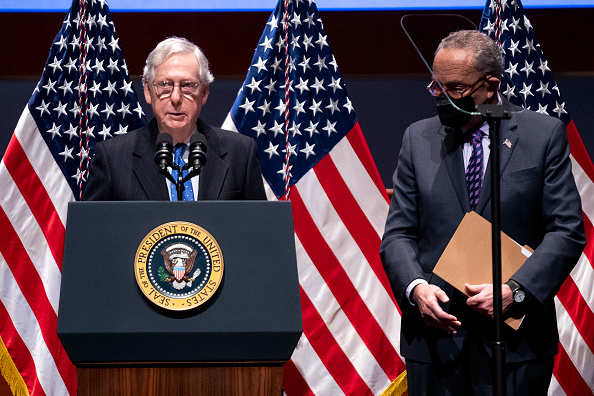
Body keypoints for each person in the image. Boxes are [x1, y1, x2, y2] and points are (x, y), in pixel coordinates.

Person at [380, 30, 585, 395]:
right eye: (436, 87)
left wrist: (515, 291)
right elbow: (398, 234)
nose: (442, 98)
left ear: (490, 86)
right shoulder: (417, 139)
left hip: (516, 345)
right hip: (435, 340)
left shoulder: (543, 135)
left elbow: (566, 231)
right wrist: (416, 289)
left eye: (454, 88)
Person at [83, 36, 266, 201]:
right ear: (147, 91)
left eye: (187, 86)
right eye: (164, 85)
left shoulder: (240, 154)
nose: (176, 98)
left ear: (204, 92)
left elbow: (259, 230)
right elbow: (92, 232)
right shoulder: (113, 158)